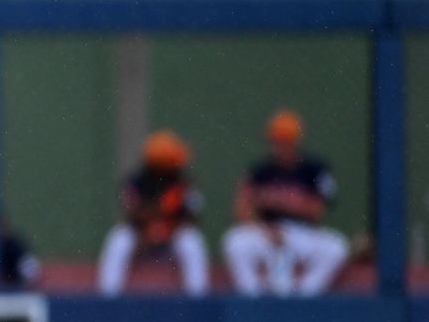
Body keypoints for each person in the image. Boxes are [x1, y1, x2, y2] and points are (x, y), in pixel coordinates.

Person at [222, 110, 348, 297]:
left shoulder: (314, 169)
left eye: (287, 141)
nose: (281, 146)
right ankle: (254, 298)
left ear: (297, 141)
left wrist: (280, 200)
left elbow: (317, 211)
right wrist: (266, 229)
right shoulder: (260, 171)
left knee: (336, 246)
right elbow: (241, 209)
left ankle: (304, 296)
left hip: (302, 233)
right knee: (234, 241)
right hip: (266, 232)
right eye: (277, 141)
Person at [97, 130, 209, 296]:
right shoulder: (136, 182)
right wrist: (153, 223)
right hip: (141, 237)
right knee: (119, 239)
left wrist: (168, 228)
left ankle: (198, 299)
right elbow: (130, 212)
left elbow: (193, 216)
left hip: (172, 236)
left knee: (191, 241)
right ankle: (108, 299)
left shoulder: (184, 183)